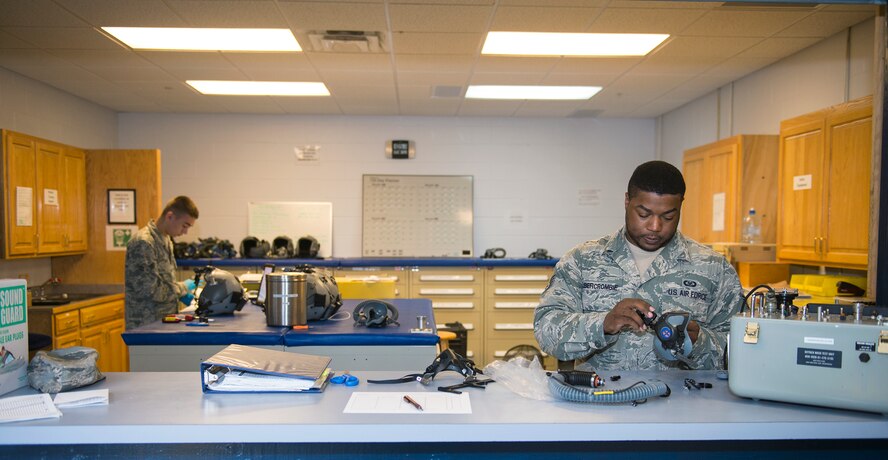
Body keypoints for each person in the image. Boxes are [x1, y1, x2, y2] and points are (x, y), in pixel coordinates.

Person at [534, 161, 743, 371]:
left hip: (682, 400)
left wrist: (699, 343)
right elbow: (546, 331)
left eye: (668, 217)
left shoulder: (713, 268)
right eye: (643, 214)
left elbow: (742, 350)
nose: (655, 227)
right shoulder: (582, 260)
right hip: (599, 398)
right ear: (627, 201)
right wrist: (603, 324)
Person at [125, 196, 199, 330]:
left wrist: (181, 295)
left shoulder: (166, 240)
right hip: (146, 326)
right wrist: (183, 288)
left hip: (165, 321)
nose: (185, 232)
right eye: (184, 225)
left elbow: (165, 282)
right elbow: (151, 291)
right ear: (170, 216)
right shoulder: (144, 242)